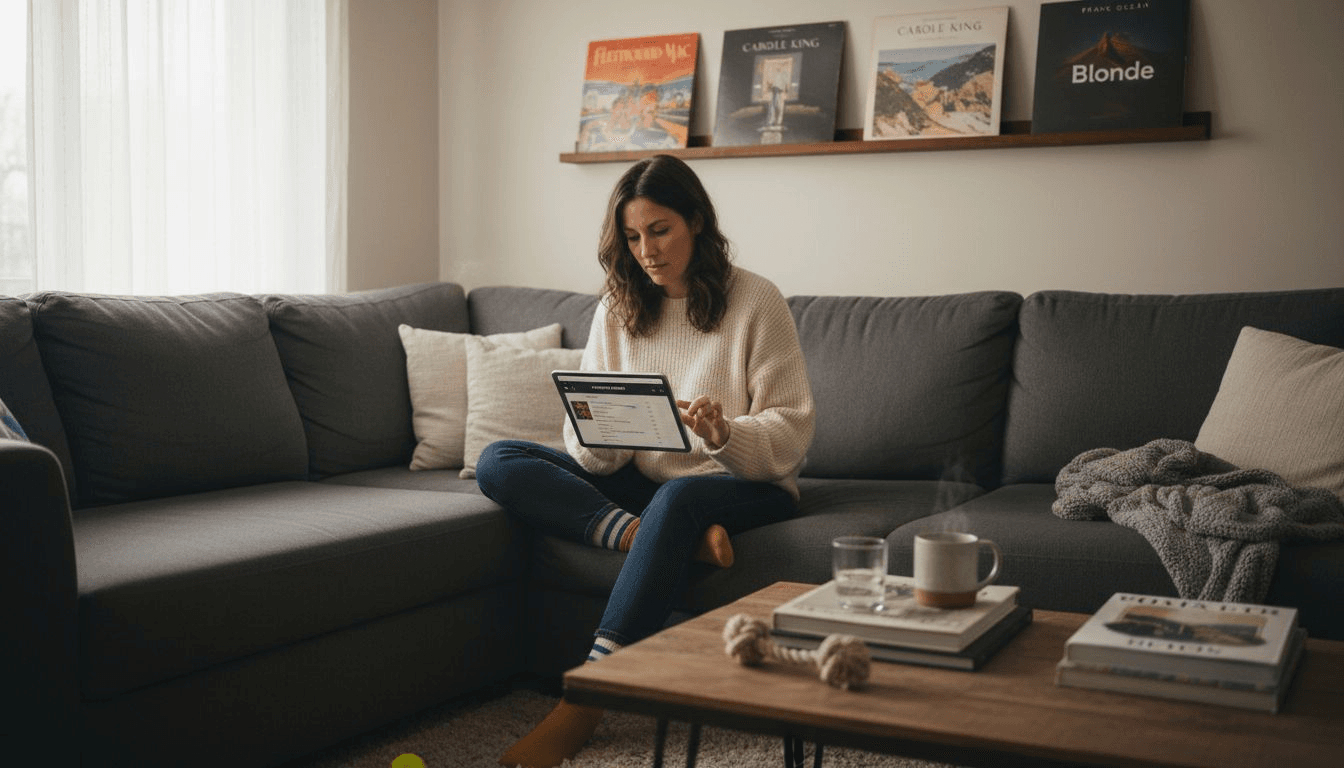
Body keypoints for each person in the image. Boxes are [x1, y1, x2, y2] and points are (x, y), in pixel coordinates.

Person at [475, 153, 815, 768]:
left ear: (696, 222)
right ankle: (646, 535)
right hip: (647, 483)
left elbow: (791, 430)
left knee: (678, 498)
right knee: (499, 459)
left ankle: (588, 696)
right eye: (632, 237)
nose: (647, 252)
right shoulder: (619, 305)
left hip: (741, 480)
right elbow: (593, 452)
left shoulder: (756, 300)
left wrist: (723, 433)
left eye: (660, 231)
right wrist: (602, 432)